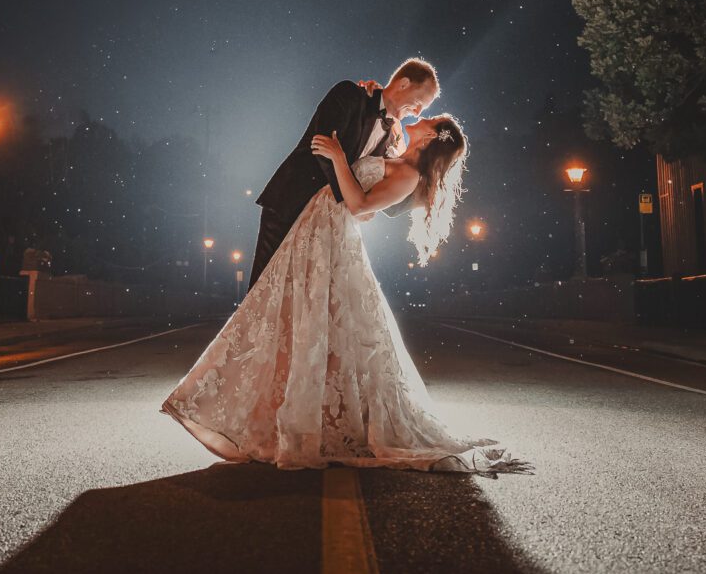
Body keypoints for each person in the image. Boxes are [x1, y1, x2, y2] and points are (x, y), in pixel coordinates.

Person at [161, 111, 525, 474]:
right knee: (296, 322)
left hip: (333, 240)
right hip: (315, 230)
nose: (423, 116)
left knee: (321, 327)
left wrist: (338, 158)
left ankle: (312, 422)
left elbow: (360, 205)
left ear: (431, 137)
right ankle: (289, 414)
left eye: (430, 119)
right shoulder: (398, 156)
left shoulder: (410, 175)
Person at [245, 59, 438, 291]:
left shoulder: (390, 139)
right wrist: (352, 200)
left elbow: (390, 205)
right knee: (264, 288)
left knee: (300, 298)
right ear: (404, 83)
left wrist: (426, 190)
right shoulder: (349, 94)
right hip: (291, 202)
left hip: (325, 225)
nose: (417, 114)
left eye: (422, 110)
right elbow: (322, 148)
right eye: (418, 104)